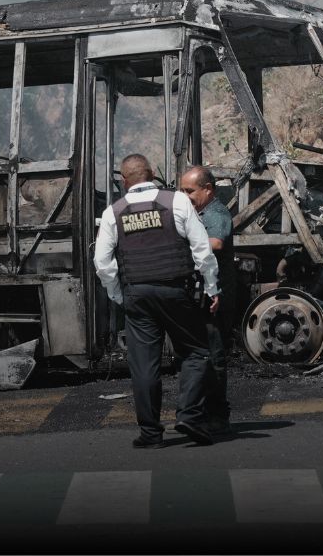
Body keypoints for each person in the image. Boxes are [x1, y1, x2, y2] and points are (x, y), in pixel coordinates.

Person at [94, 154, 220, 448]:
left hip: (137, 295)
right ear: (152, 174)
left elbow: (102, 262)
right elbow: (202, 250)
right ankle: (189, 415)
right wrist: (212, 287)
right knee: (195, 352)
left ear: (124, 181)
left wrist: (118, 294)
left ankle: (151, 434)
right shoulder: (177, 202)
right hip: (176, 291)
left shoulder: (113, 212)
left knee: (144, 365)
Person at [179, 165, 234, 435]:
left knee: (214, 357)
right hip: (202, 294)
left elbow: (216, 243)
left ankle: (218, 416)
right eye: (182, 191)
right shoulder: (197, 213)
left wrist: (180, 244)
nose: (185, 196)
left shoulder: (216, 213)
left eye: (189, 191)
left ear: (208, 190)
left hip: (216, 296)